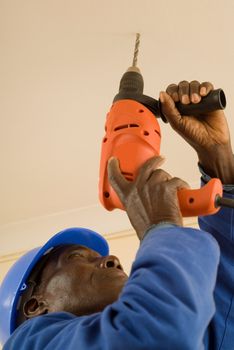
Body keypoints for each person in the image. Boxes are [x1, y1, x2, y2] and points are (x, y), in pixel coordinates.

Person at [0, 80, 233, 349]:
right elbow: (157, 333)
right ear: (34, 305)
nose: (112, 260)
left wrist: (219, 163)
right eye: (77, 257)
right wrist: (161, 226)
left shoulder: (186, 329)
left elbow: (227, 309)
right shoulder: (31, 343)